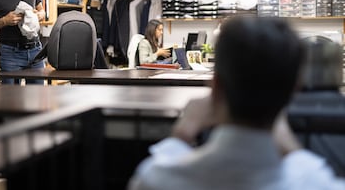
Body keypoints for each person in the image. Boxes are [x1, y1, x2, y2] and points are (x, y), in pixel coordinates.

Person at [128, 16, 345, 190]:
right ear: (294, 89)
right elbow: (311, 175)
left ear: (215, 86)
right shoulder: (317, 182)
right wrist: (292, 148)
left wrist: (181, 135)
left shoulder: (156, 178)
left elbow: (157, 170)